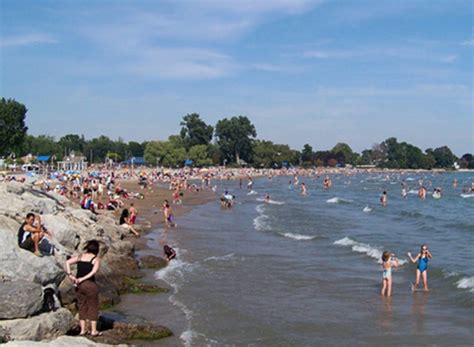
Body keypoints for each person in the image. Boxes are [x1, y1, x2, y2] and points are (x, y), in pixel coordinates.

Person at [65, 240, 102, 337]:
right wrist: (83, 279)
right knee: (93, 306)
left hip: (78, 286)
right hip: (90, 284)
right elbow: (93, 272)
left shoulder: (81, 256)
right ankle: (93, 330)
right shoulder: (95, 259)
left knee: (81, 306)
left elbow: (67, 262)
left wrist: (70, 275)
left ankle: (82, 330)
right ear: (97, 249)